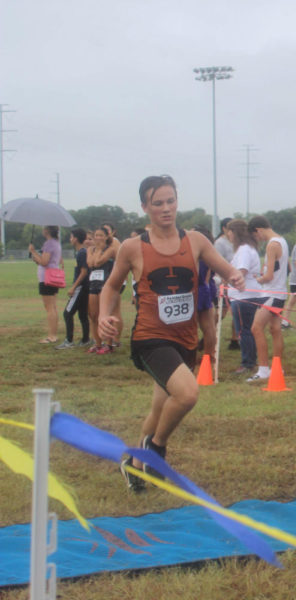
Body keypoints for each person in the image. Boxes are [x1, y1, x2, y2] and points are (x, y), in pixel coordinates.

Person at [98, 175, 244, 492]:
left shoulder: (196, 241)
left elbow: (223, 268)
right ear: (145, 207)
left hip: (184, 338)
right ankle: (157, 448)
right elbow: (111, 286)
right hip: (150, 338)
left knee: (159, 407)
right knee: (188, 394)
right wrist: (103, 315)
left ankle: (134, 467)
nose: (166, 209)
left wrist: (235, 276)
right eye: (158, 203)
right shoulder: (133, 247)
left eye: (171, 201)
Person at [246, 216, 289, 383]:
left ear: (258, 230)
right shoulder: (283, 241)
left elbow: (269, 275)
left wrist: (258, 279)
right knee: (275, 329)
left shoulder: (272, 245)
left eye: (256, 236)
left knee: (256, 328)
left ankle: (263, 370)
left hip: (271, 293)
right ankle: (278, 367)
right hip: (279, 293)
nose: (258, 239)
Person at [226, 219, 263, 375]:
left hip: (244, 296)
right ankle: (250, 360)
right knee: (248, 329)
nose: (227, 235)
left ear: (235, 232)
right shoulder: (246, 249)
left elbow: (241, 271)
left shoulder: (244, 250)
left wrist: (227, 279)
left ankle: (248, 363)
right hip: (246, 295)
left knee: (244, 330)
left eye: (229, 231)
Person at [57, 227, 91, 349]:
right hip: (85, 288)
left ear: (75, 239)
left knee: (67, 313)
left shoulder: (81, 253)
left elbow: (83, 272)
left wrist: (73, 287)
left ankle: (69, 341)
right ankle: (85, 339)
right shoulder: (83, 252)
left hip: (80, 288)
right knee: (82, 315)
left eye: (71, 237)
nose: (70, 239)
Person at [191, 225, 220, 367]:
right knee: (209, 327)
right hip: (205, 289)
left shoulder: (195, 254)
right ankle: (210, 356)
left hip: (194, 291)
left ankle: (192, 356)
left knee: (192, 327)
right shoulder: (209, 254)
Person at [28, 226, 63, 343]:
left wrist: (33, 251)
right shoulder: (56, 243)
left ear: (47, 231)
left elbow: (44, 262)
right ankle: (54, 334)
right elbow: (52, 260)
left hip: (46, 278)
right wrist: (37, 257)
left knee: (49, 308)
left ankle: (51, 336)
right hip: (54, 276)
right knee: (53, 307)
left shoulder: (48, 244)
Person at [86, 226, 117, 354]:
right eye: (96, 235)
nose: (98, 238)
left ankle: (108, 344)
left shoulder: (111, 250)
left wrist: (99, 250)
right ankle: (97, 343)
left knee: (106, 316)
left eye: (101, 235)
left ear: (106, 237)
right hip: (93, 283)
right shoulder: (89, 249)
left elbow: (98, 262)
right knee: (93, 315)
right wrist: (96, 251)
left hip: (106, 284)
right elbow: (90, 263)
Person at [214, 217, 240, 350]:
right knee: (222, 312)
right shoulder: (219, 243)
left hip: (234, 282)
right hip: (224, 282)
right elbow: (216, 263)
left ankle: (235, 340)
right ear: (224, 229)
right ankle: (210, 333)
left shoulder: (235, 242)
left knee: (236, 311)